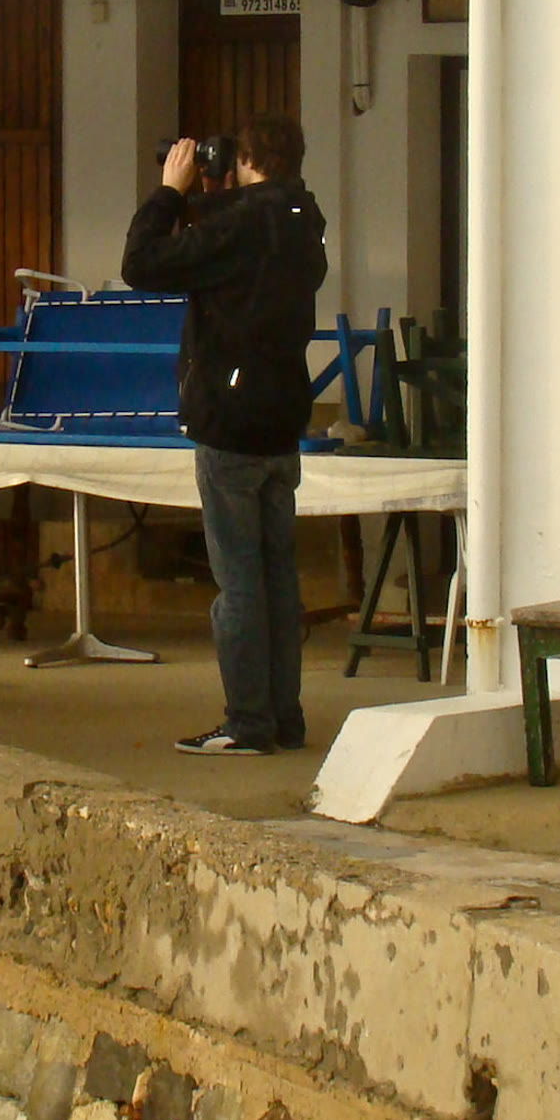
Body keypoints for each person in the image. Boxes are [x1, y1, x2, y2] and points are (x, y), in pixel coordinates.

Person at [121, 114, 328, 755]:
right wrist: (212, 198)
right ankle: (283, 719)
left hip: (230, 422)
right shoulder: (302, 219)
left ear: (245, 160)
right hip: (281, 420)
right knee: (277, 579)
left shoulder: (243, 225)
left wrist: (170, 191)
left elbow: (142, 264)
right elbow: (234, 255)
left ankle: (247, 723)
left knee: (238, 585)